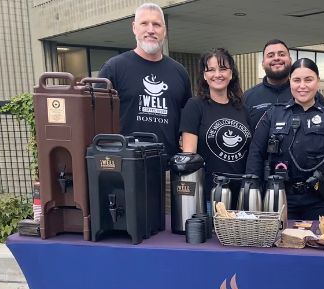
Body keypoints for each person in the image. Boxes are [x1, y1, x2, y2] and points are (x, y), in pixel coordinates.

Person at [245, 58, 324, 220]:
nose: (302, 86)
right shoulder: (273, 115)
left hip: (322, 200)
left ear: (318, 81)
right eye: (297, 80)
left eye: (308, 79)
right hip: (279, 198)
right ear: (290, 81)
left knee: (319, 243)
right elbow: (255, 155)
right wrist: (253, 194)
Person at [98, 2, 192, 157]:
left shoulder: (179, 72)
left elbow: (188, 122)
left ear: (164, 30)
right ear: (134, 28)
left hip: (167, 170)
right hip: (126, 169)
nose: (151, 30)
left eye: (157, 24)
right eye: (144, 23)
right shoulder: (114, 68)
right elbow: (96, 119)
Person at [179, 48, 252, 212]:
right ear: (204, 76)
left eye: (223, 69)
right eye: (211, 70)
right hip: (209, 196)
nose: (217, 74)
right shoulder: (195, 106)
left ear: (231, 74)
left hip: (241, 196)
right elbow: (189, 157)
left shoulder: (243, 109)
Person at [244, 39, 324, 131]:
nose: (276, 58)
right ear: (263, 64)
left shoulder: (311, 96)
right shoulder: (248, 97)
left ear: (290, 60)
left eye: (282, 54)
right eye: (270, 55)